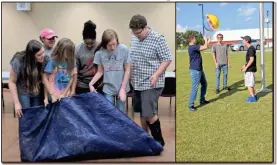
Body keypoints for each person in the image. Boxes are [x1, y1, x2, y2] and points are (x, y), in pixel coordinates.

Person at [129, 14, 172, 146]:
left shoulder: (158, 39)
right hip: (137, 82)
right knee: (142, 113)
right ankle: (145, 139)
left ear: (145, 27)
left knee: (149, 113)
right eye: (134, 33)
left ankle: (159, 141)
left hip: (151, 83)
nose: (137, 35)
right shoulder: (134, 39)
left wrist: (156, 74)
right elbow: (132, 58)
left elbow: (167, 59)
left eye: (139, 33)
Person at [89, 29, 131, 112]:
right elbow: (100, 72)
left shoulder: (124, 49)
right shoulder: (99, 53)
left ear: (117, 41)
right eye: (109, 45)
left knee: (120, 113)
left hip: (122, 87)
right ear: (105, 44)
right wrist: (90, 84)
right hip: (108, 88)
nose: (112, 47)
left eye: (114, 44)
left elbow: (127, 70)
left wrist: (122, 89)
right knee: (109, 113)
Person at [9, 40, 49, 117]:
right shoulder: (18, 60)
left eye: (43, 52)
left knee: (36, 116)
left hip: (36, 90)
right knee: (26, 116)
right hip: (23, 91)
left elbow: (45, 79)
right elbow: (12, 82)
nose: (43, 55)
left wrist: (50, 95)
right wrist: (17, 103)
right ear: (31, 56)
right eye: (39, 54)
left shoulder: (45, 59)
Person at [43, 38, 77, 103]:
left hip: (65, 93)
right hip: (53, 94)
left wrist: (65, 93)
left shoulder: (72, 61)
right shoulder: (53, 61)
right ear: (60, 50)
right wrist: (50, 95)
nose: (69, 54)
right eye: (67, 51)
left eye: (71, 51)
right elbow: (45, 78)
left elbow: (71, 78)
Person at [75, 20, 103, 95]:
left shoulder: (101, 47)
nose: (89, 46)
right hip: (82, 85)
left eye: (92, 43)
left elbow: (105, 67)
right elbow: (75, 72)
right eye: (87, 43)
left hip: (98, 84)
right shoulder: (78, 50)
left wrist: (102, 81)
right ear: (83, 40)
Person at [187, 34, 210, 111]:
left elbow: (205, 46)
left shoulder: (191, 48)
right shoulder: (193, 47)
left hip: (199, 69)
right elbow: (205, 47)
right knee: (195, 87)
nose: (196, 40)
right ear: (192, 39)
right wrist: (205, 40)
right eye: (195, 39)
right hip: (196, 70)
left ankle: (202, 100)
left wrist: (207, 41)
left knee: (204, 84)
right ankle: (191, 105)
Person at [240, 36, 258, 102]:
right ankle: (254, 95)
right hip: (249, 69)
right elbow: (248, 60)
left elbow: (252, 59)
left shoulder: (250, 49)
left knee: (249, 85)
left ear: (246, 41)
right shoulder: (250, 48)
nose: (242, 41)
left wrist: (246, 68)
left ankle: (252, 98)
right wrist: (244, 66)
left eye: (243, 40)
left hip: (250, 70)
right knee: (250, 84)